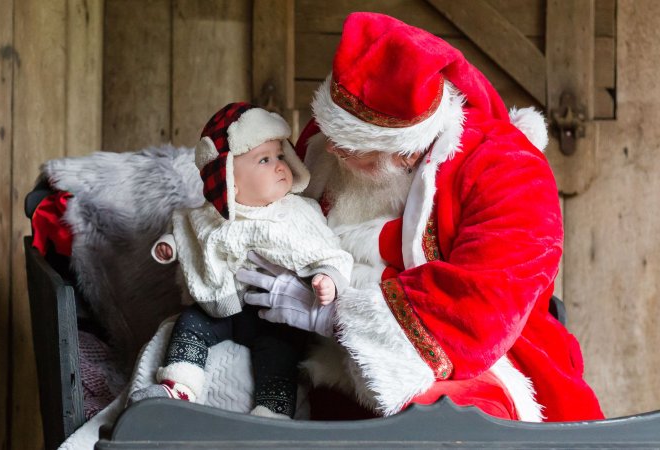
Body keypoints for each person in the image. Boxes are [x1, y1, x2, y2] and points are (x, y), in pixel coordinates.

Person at [236, 12, 605, 422]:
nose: (333, 150)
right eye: (330, 133)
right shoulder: (326, 146)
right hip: (306, 345)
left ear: (406, 150)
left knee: (445, 420)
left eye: (352, 146)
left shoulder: (506, 166)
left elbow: (482, 305)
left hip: (470, 360)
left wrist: (335, 315)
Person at [129, 102, 353, 419]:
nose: (279, 166)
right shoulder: (212, 216)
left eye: (280, 155)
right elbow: (186, 231)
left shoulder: (297, 213)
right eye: (264, 159)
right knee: (189, 324)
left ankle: (273, 410)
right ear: (229, 177)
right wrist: (169, 245)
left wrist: (327, 277)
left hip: (274, 316)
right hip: (220, 310)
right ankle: (178, 387)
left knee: (280, 355)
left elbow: (327, 251)